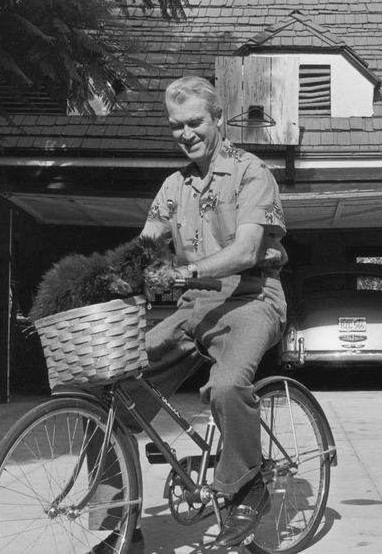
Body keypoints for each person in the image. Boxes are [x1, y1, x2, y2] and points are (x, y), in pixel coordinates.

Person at [131, 75, 288, 547]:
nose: (186, 134)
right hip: (193, 306)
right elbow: (144, 246)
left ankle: (246, 484)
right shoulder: (172, 186)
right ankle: (116, 520)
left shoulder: (250, 171)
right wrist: (109, 281)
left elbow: (245, 251)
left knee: (226, 386)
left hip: (250, 298)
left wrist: (184, 271)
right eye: (176, 125)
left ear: (218, 118)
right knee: (116, 383)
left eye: (195, 122)